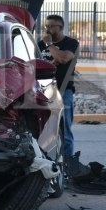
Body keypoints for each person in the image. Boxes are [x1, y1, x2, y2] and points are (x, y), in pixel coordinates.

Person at [37, 14, 79, 159]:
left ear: (60, 28)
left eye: (51, 26)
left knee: (65, 130)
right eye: (46, 26)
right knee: (42, 128)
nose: (47, 29)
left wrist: (50, 45)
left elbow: (62, 58)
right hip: (42, 90)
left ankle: (67, 163)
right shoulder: (40, 44)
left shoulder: (71, 43)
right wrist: (53, 62)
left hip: (63, 90)